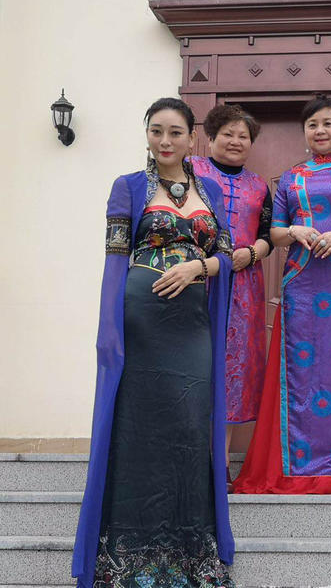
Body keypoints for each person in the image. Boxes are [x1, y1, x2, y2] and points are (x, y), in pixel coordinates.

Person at [72, 98, 235, 587]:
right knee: (139, 431)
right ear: (147, 135)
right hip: (142, 320)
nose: (165, 141)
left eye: (175, 132)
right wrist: (109, 332)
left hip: (193, 326)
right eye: (156, 131)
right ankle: (128, 560)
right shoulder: (127, 187)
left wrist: (196, 266)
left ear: (192, 138)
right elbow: (114, 261)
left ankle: (190, 556)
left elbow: (227, 255)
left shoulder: (211, 191)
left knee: (190, 428)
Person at [233, 94, 331, 494]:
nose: (320, 131)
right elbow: (275, 233)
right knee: (299, 375)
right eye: (312, 125)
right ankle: (293, 469)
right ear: (304, 132)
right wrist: (295, 231)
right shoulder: (290, 178)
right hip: (301, 282)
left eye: (327, 123)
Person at [191, 104, 273, 482]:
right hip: (196, 280)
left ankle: (219, 461)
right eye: (228, 134)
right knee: (195, 361)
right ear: (210, 137)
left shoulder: (260, 186)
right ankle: (189, 456)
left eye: (243, 136)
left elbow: (268, 235)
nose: (236, 141)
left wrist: (252, 253)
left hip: (243, 285)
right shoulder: (191, 170)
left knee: (231, 369)